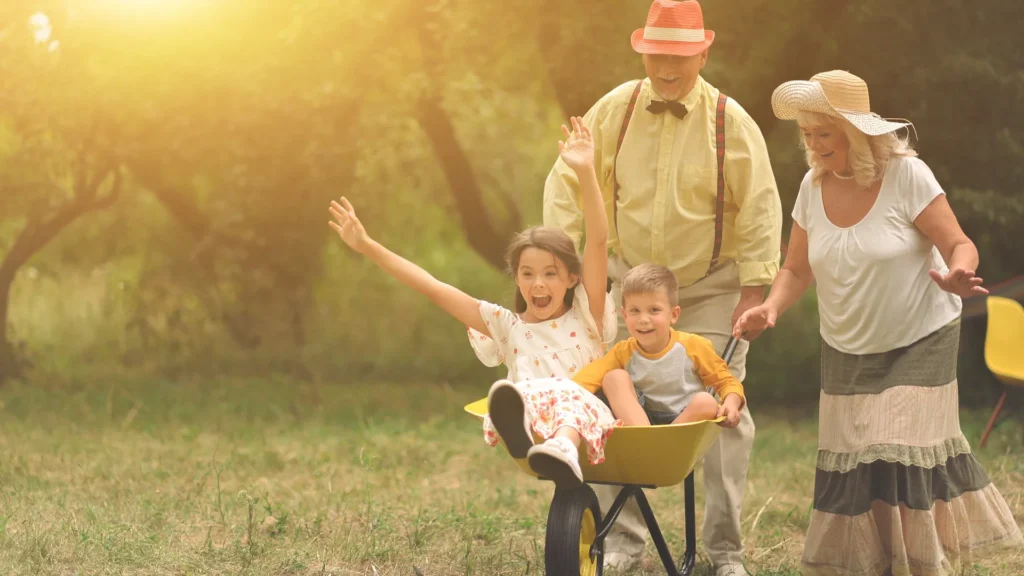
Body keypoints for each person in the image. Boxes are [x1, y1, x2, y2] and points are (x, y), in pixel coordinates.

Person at [735, 69, 1024, 575]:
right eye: (807, 134)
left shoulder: (908, 176)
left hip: (920, 336)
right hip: (847, 346)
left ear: (856, 132)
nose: (813, 145)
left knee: (895, 447)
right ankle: (881, 564)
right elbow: (797, 267)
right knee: (862, 460)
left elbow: (959, 242)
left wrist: (961, 271)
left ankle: (922, 564)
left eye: (823, 133)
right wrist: (772, 307)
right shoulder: (811, 186)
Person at [543, 1, 782, 573]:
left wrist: (755, 288)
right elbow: (567, 185)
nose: (666, 67)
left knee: (727, 412)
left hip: (709, 285)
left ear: (703, 51)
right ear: (642, 51)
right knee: (602, 398)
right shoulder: (615, 110)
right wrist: (560, 269)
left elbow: (760, 207)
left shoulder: (730, 121)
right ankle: (623, 540)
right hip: (625, 281)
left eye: (678, 55)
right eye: (656, 55)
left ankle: (724, 553)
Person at [329, 118, 622, 489]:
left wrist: (585, 172)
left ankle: (563, 444)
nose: (538, 283)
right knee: (514, 394)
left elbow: (596, 241)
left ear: (571, 279)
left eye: (550, 273)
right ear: (516, 278)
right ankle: (523, 428)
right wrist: (368, 246)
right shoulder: (506, 326)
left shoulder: (587, 315)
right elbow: (433, 287)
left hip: (585, 417)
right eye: (527, 273)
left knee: (570, 393)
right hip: (536, 418)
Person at [574, 263, 745, 429]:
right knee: (613, 377)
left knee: (706, 402)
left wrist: (731, 401)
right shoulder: (622, 352)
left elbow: (726, 381)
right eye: (635, 311)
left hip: (682, 420)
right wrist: (562, 394)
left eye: (654, 310)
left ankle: (661, 445)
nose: (643, 319)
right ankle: (646, 440)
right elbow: (590, 376)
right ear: (625, 315)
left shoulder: (693, 346)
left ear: (674, 314)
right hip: (640, 419)